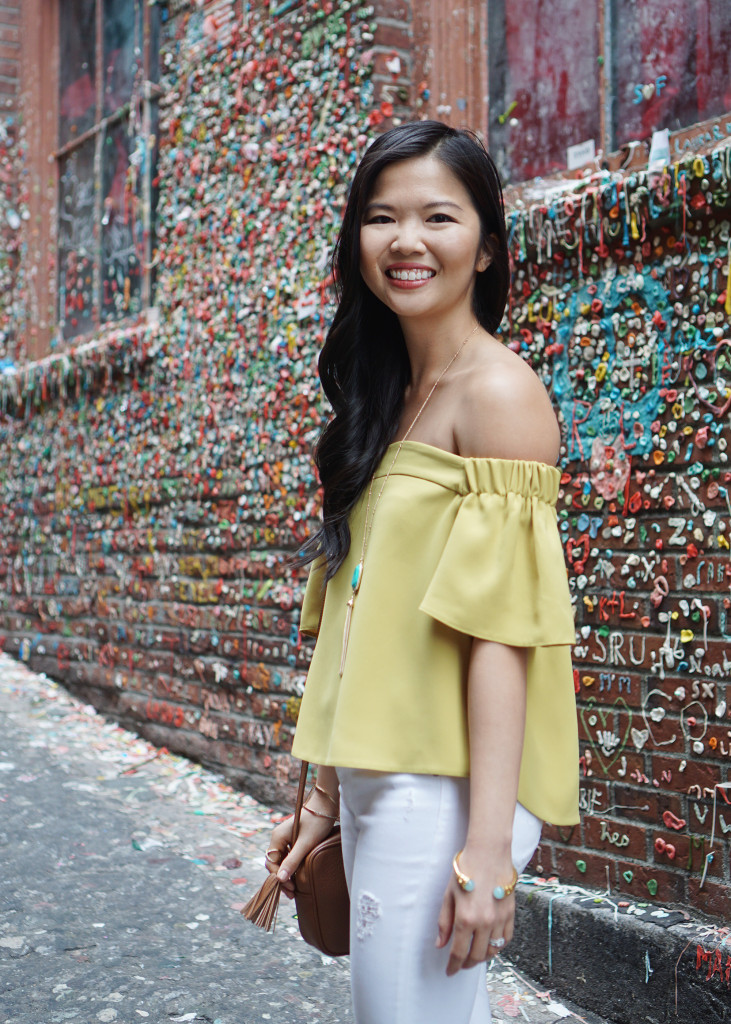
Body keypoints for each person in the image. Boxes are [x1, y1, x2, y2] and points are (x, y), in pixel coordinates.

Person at [265, 120, 579, 1024]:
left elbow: (500, 639)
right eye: (380, 217)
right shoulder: (390, 398)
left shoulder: (499, 395)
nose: (405, 241)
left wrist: (486, 857)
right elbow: (363, 622)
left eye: (438, 217)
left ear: (484, 247)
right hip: (380, 776)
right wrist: (323, 797)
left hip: (442, 789)